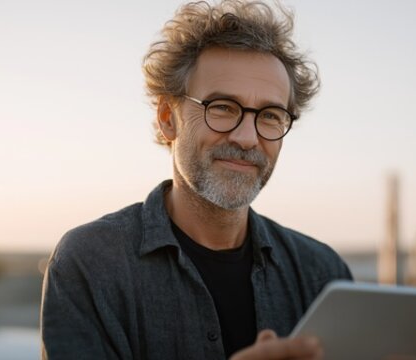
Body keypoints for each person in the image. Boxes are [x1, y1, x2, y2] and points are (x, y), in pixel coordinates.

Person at [39, 1, 353, 359]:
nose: (247, 138)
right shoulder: (90, 264)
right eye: (222, 107)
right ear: (167, 118)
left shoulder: (323, 273)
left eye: (269, 115)